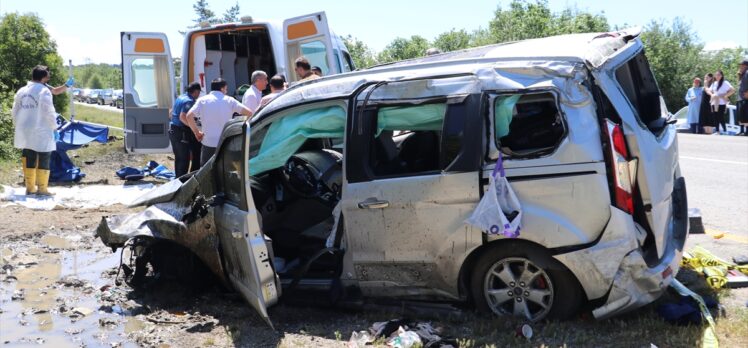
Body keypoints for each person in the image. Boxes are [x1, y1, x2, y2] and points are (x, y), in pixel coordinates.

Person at [11, 65, 59, 196]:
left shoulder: (22, 90)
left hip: (24, 129)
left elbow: (14, 111)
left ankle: (30, 188)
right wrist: (55, 128)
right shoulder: (43, 91)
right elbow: (48, 111)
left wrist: (18, 126)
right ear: (44, 77)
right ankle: (42, 189)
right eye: (48, 74)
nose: (49, 76)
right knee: (44, 156)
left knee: (28, 156)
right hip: (41, 129)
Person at [185, 78, 253, 165]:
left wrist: (197, 132)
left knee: (206, 172)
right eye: (226, 89)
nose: (226, 91)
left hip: (208, 142)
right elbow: (249, 113)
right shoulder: (230, 100)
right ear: (222, 88)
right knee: (225, 171)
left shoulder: (202, 100)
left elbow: (189, 116)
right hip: (225, 143)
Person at [169, 82, 202, 177]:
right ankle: (183, 182)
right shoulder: (189, 101)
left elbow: (171, 113)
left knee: (179, 157)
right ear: (196, 91)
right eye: (199, 92)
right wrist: (195, 130)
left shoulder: (180, 97)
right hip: (180, 132)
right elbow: (183, 117)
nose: (199, 94)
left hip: (173, 129)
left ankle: (178, 180)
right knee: (184, 159)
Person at [706, 70, 735, 134]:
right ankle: (717, 131)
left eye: (719, 75)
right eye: (716, 75)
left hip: (722, 102)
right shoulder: (714, 83)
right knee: (715, 117)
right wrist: (712, 94)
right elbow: (708, 90)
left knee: (721, 116)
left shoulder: (725, 83)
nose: (717, 76)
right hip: (714, 102)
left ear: (721, 76)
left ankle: (725, 130)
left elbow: (733, 90)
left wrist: (726, 95)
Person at [737, 60, 748, 135]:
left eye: (742, 65)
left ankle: (747, 131)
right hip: (741, 97)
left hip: (745, 97)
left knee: (746, 115)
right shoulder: (742, 73)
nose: (740, 66)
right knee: (741, 115)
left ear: (746, 66)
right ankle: (742, 131)